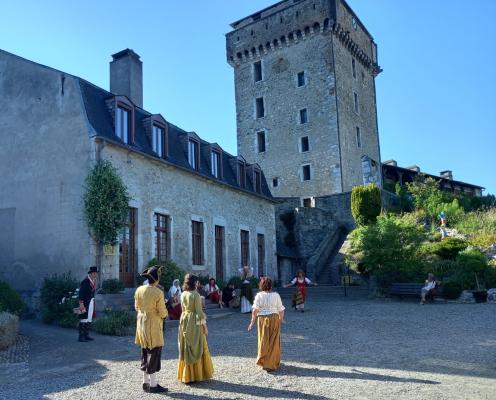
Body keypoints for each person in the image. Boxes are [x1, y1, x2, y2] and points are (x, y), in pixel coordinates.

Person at [135, 266, 168, 393]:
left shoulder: (139, 289)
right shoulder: (158, 292)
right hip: (153, 324)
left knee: (144, 351)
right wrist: (165, 314)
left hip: (141, 323)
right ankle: (153, 385)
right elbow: (162, 312)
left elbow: (136, 307)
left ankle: (145, 382)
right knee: (154, 352)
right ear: (157, 278)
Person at [177, 273, 214, 384]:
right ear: (194, 282)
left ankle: (187, 375)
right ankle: (197, 374)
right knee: (198, 345)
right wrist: (205, 327)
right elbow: (199, 313)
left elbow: (183, 310)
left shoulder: (183, 294)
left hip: (184, 320)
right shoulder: (196, 295)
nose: (198, 283)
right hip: (194, 322)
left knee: (186, 346)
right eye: (197, 281)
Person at [248, 276, 285, 372]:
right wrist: (281, 319)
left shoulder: (259, 295)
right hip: (274, 318)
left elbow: (255, 310)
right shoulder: (276, 295)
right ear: (271, 286)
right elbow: (281, 309)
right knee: (273, 341)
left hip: (262, 320)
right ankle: (271, 363)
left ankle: (264, 360)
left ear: (261, 285)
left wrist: (252, 322)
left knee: (264, 340)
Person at [78, 266, 98, 342]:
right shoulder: (85, 281)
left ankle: (86, 335)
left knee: (89, 318)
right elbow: (81, 293)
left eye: (96, 274)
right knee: (83, 318)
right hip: (85, 303)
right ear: (91, 274)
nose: (96, 275)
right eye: (95, 274)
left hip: (91, 302)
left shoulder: (93, 281)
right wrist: (81, 303)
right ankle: (81, 336)